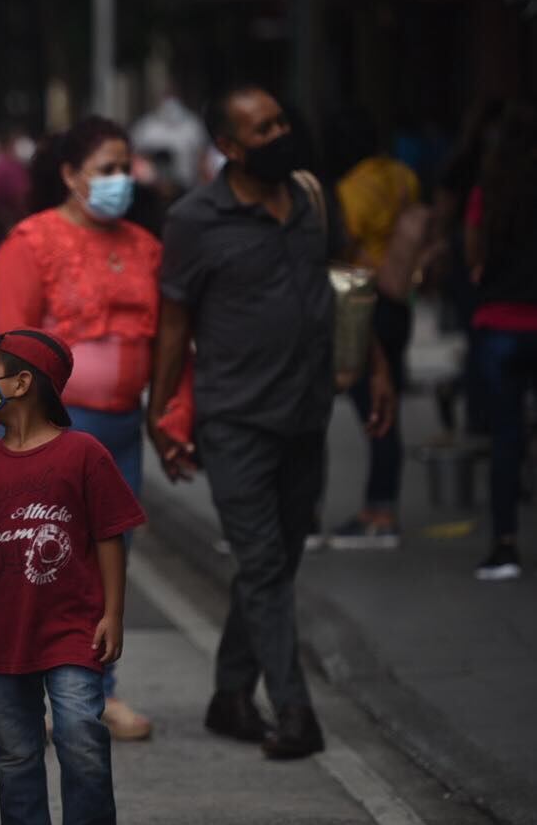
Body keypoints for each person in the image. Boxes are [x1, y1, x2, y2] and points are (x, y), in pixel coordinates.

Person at [148, 85, 395, 761]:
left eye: (282, 121)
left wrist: (376, 367)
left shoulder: (312, 198)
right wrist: (160, 411)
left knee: (277, 563)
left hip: (307, 411)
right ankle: (294, 710)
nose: (281, 134)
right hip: (234, 418)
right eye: (263, 129)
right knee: (260, 563)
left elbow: (347, 283)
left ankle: (230, 694)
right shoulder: (195, 219)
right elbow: (174, 324)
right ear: (228, 147)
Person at [0, 115, 161, 741]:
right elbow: (9, 350)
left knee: (110, 563)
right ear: (69, 174)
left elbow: (166, 337)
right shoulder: (32, 243)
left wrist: (171, 415)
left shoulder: (144, 245)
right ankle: (39, 693)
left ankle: (95, 692)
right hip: (59, 429)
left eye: (124, 168)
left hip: (123, 428)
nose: (120, 180)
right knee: (46, 564)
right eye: (105, 169)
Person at [0, 329, 142, 825]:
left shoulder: (84, 454)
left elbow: (110, 535)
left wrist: (113, 614)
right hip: (6, 637)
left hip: (74, 632)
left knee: (81, 739)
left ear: (22, 383)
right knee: (14, 756)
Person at [328, 108, 421, 548]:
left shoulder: (350, 190)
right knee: (389, 404)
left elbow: (340, 249)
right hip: (399, 299)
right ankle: (383, 504)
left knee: (373, 407)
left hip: (364, 302)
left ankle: (378, 513)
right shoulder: (403, 176)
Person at [465, 102, 537, 581]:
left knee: (506, 440)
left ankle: (504, 545)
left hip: (499, 325)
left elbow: (474, 255)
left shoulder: (487, 191)